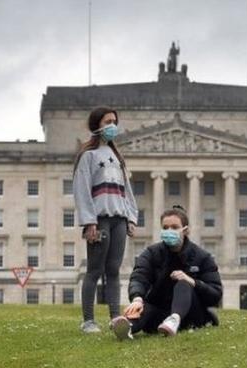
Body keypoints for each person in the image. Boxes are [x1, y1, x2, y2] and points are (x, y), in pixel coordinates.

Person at [73, 106, 139, 334]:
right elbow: (81, 190)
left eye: (114, 121)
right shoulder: (88, 156)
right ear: (97, 126)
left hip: (119, 219)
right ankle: (88, 320)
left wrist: (131, 217)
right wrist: (89, 222)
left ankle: (115, 317)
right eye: (108, 121)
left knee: (113, 269)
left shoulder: (118, 158)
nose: (113, 126)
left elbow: (126, 191)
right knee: (94, 270)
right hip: (100, 220)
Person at [110, 206, 222, 339]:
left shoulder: (202, 257)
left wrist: (193, 282)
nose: (169, 231)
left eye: (174, 227)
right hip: (160, 311)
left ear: (185, 230)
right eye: (165, 227)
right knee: (144, 307)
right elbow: (139, 277)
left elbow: (215, 294)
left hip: (190, 314)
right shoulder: (151, 253)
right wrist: (137, 298)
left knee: (183, 283)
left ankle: (174, 319)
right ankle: (127, 326)